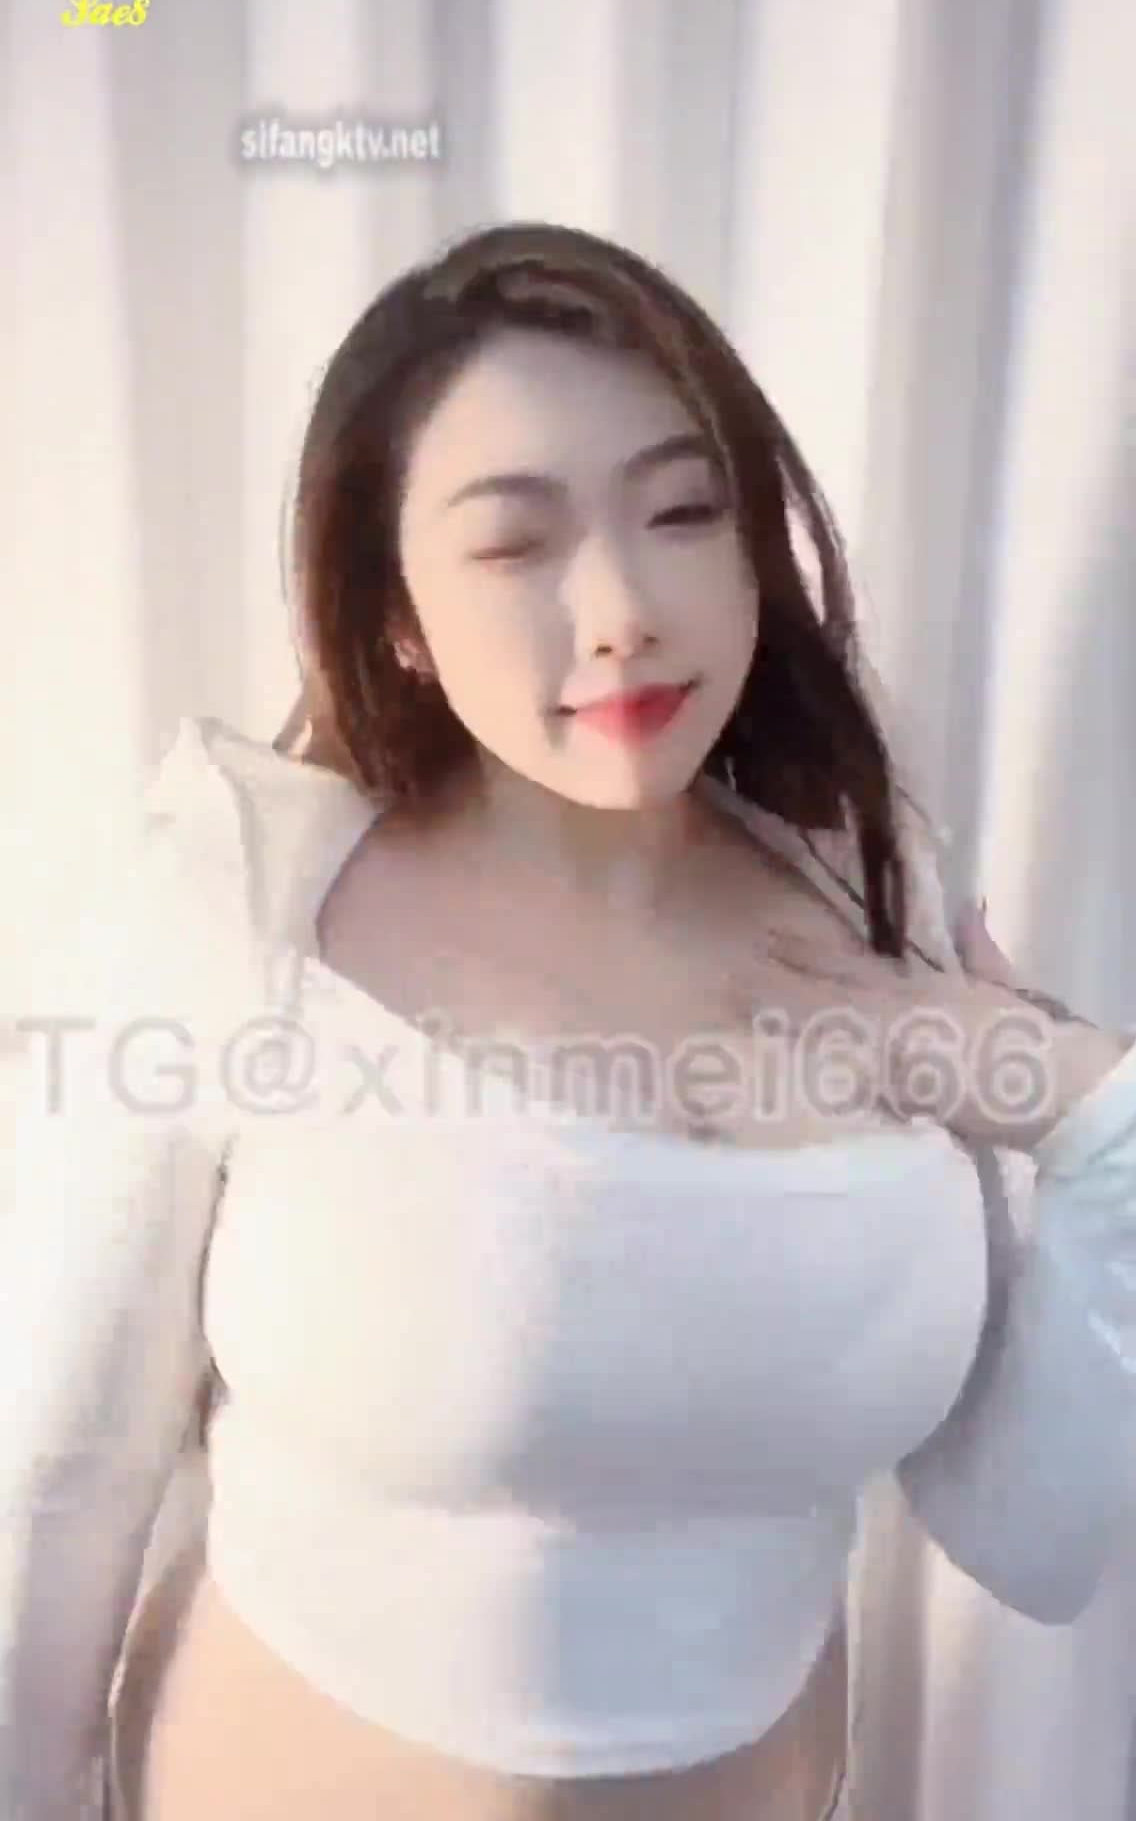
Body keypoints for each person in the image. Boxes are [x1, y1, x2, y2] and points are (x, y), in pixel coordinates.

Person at [3, 219, 1135, 1821]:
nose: (619, 609)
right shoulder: (243, 903)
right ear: (392, 613)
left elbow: (1031, 1532)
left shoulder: (870, 888)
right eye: (513, 544)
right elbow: (49, 1484)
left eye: (682, 513)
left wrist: (1094, 1113)